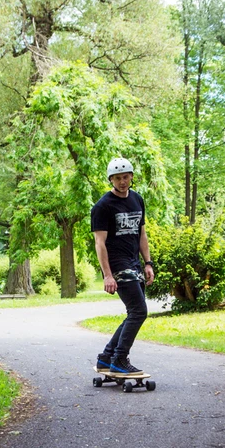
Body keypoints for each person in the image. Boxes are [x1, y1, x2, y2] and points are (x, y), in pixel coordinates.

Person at [91, 157, 154, 375]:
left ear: (131, 177)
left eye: (126, 177)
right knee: (139, 311)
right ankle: (119, 358)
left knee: (134, 312)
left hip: (134, 262)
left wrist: (148, 263)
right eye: (117, 178)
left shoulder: (137, 199)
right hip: (117, 263)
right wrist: (107, 275)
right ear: (111, 180)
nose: (122, 182)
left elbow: (141, 233)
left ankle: (107, 357)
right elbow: (99, 243)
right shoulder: (103, 206)